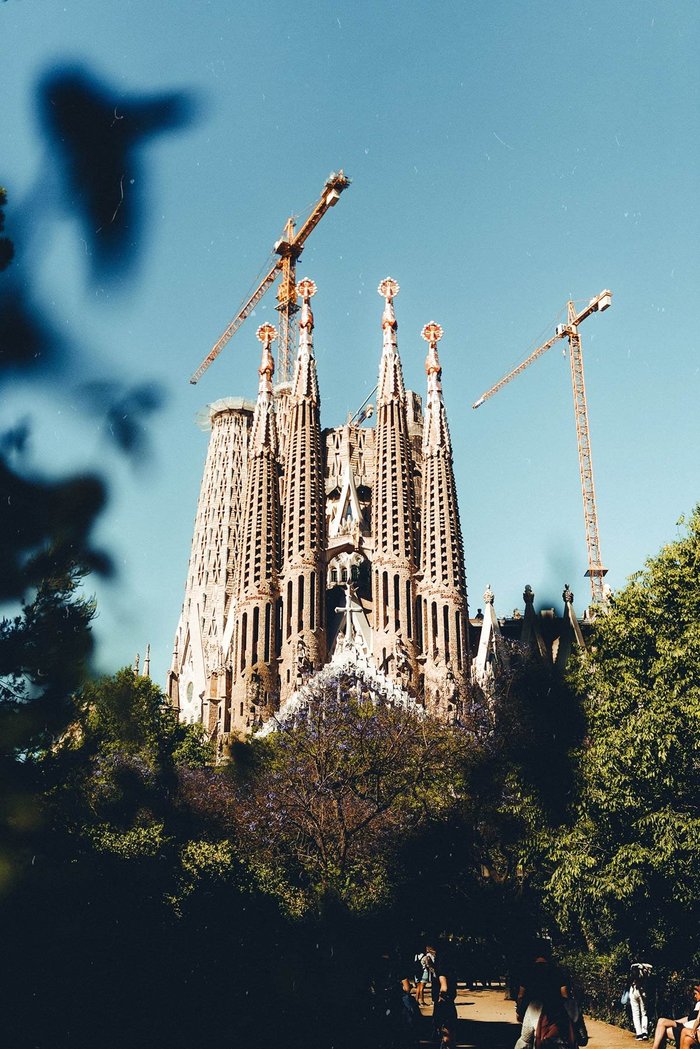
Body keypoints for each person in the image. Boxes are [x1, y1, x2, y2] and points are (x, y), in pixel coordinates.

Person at [650, 981, 700, 1049]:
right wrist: (674, 1021)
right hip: (685, 1025)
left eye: (695, 994)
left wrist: (694, 1029)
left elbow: (697, 1020)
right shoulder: (698, 1004)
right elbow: (689, 1018)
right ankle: (654, 1048)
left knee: (664, 1031)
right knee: (661, 1021)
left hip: (688, 1028)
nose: (695, 996)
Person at [432, 942, 458, 1049]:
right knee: (450, 1033)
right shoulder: (450, 968)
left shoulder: (441, 968)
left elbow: (444, 987)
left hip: (443, 1003)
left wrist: (440, 999)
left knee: (445, 1034)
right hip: (450, 1003)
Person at [628, 961, 653, 1040]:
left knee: (636, 1014)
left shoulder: (634, 967)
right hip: (643, 991)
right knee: (644, 1013)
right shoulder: (646, 967)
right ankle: (644, 1032)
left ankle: (639, 1034)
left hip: (633, 990)